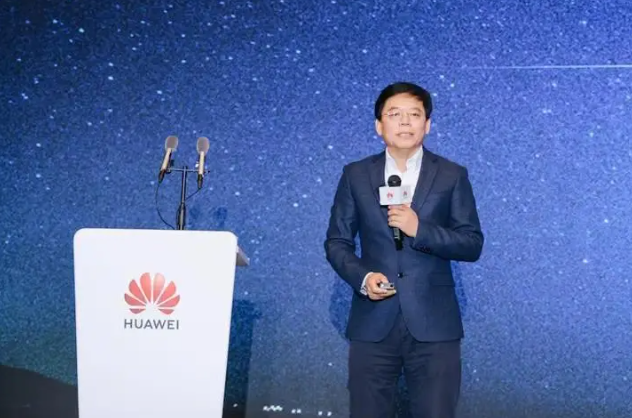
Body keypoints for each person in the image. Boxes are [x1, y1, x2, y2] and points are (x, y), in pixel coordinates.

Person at [324, 81, 484, 418]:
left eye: (415, 114)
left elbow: (471, 244)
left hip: (434, 324)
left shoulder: (452, 175)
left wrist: (418, 229)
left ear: (427, 124)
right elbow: (337, 242)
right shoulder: (355, 175)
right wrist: (363, 277)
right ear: (378, 125)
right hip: (372, 322)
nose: (405, 122)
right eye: (395, 114)